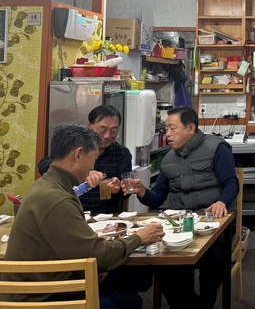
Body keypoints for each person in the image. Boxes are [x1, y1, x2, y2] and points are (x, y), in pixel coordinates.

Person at [0, 124, 164, 308]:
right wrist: (139, 238)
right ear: (78, 155)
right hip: (40, 300)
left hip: (46, 284)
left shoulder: (47, 185)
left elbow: (79, 249)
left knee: (135, 277)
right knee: (131, 301)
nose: (93, 167)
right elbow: (97, 254)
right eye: (93, 159)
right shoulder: (56, 198)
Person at [122, 106, 240, 308]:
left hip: (213, 222)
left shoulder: (216, 148)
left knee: (214, 256)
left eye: (172, 128)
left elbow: (231, 183)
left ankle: (206, 303)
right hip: (178, 224)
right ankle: (188, 305)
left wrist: (222, 202)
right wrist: (141, 191)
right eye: (166, 129)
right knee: (157, 255)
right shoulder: (168, 159)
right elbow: (158, 197)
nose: (167, 134)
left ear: (191, 128)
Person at [38, 105, 131, 215]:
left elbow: (126, 192)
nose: (107, 135)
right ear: (88, 126)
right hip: (73, 212)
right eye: (102, 129)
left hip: (108, 216)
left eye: (113, 130)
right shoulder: (74, 147)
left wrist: (118, 189)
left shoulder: (122, 153)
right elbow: (43, 166)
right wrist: (84, 172)